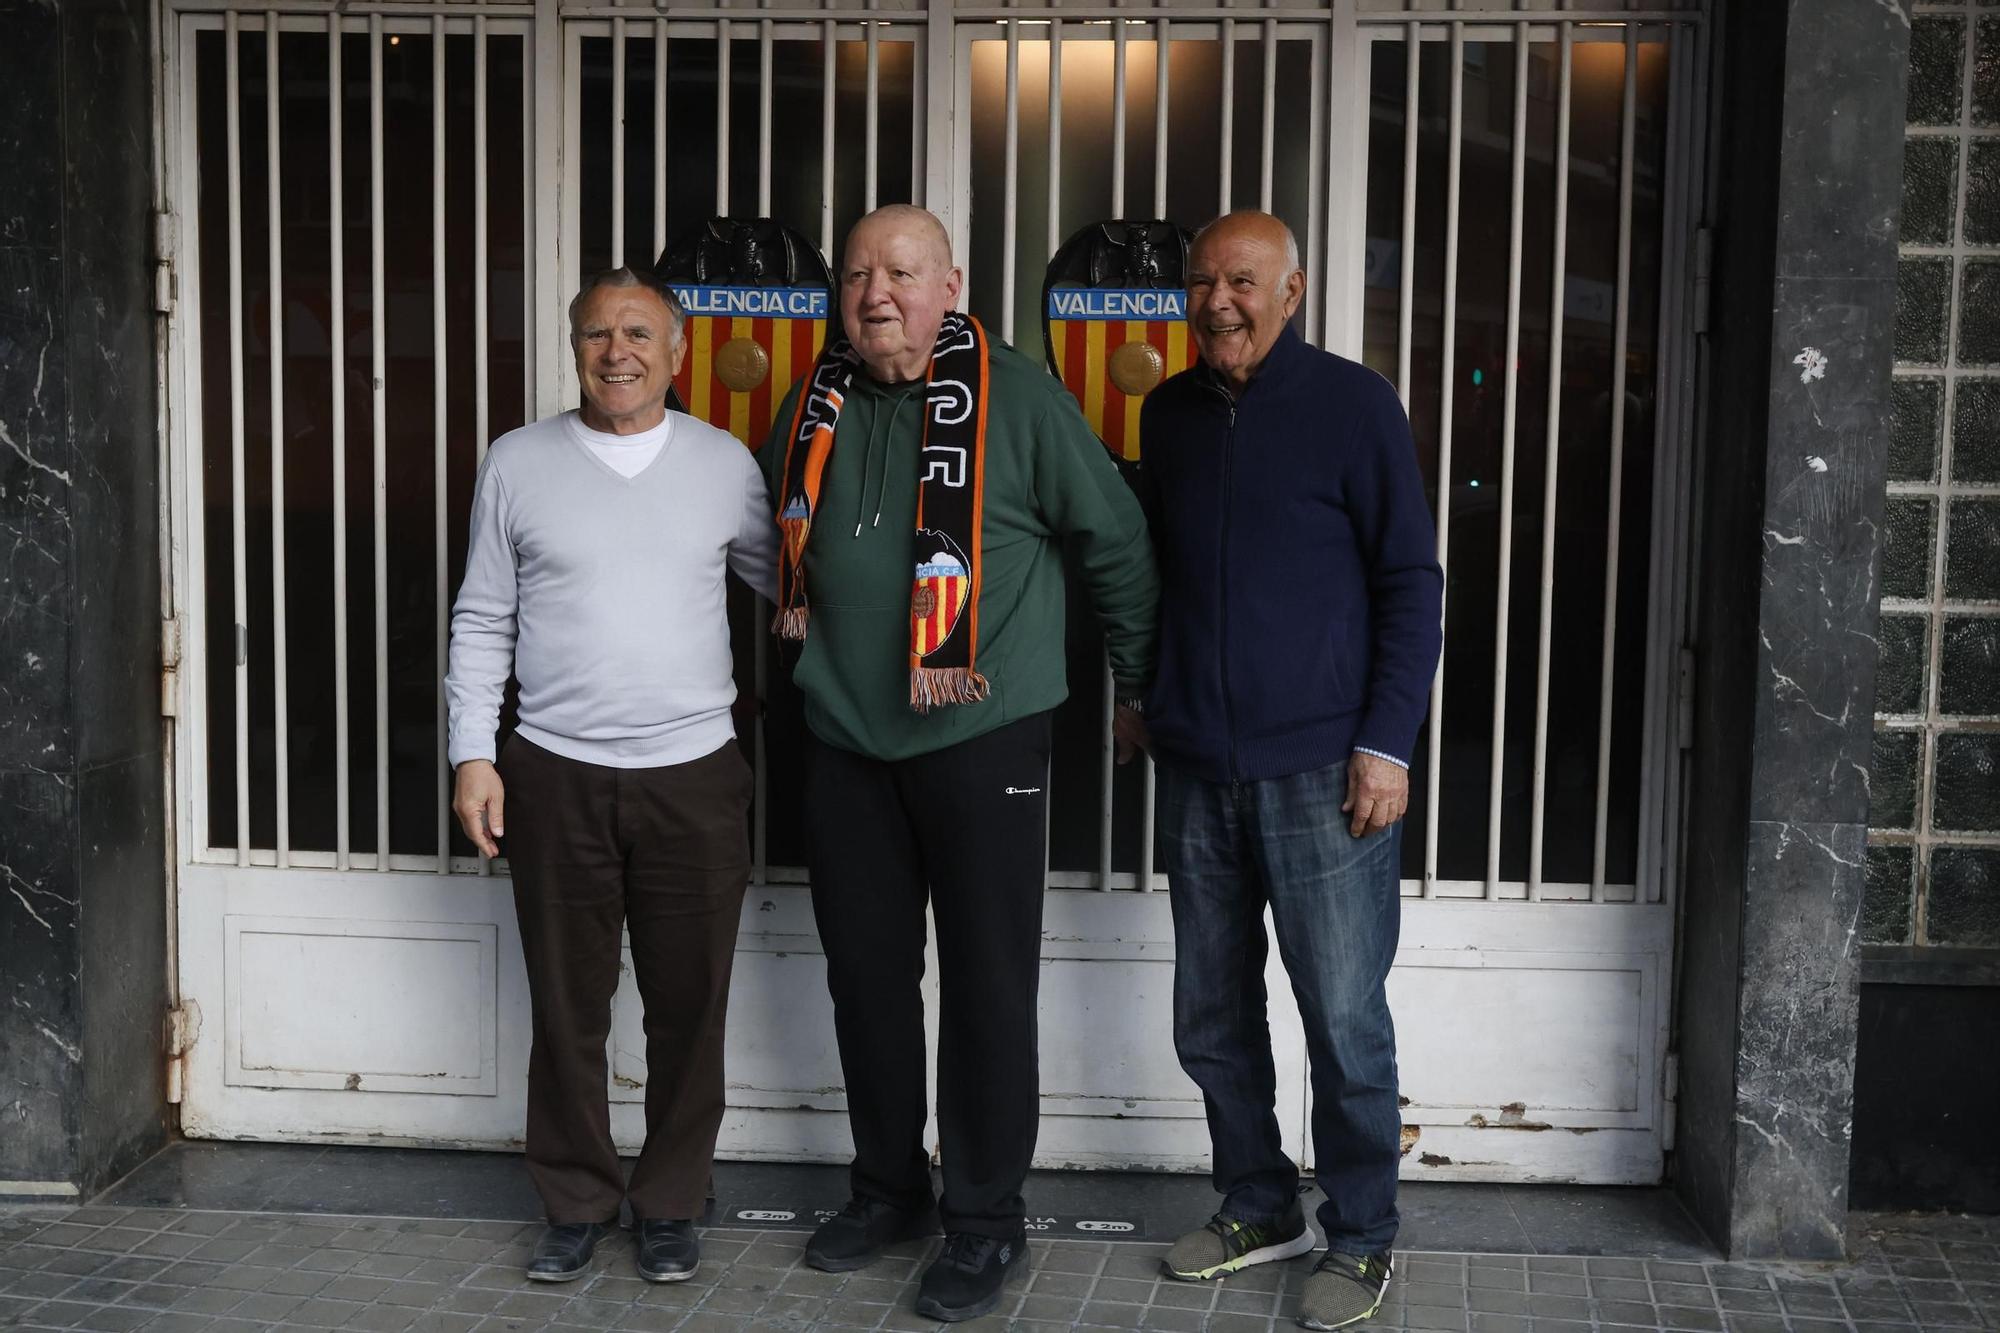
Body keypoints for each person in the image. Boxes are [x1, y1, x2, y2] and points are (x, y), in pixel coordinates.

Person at [758, 204, 1159, 1323]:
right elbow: (772, 549)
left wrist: (1136, 684)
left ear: (950, 283)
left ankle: (982, 1220)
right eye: (854, 276)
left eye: (900, 271)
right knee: (867, 981)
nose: (874, 293)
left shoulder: (1018, 396)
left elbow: (1115, 540)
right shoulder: (812, 402)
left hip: (982, 735)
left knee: (987, 984)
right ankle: (889, 1187)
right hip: (845, 740)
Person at [1130, 210, 1443, 1331]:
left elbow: (1411, 582)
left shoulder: (1352, 406)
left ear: (1293, 292)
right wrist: (1143, 694)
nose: (1219, 300)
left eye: (1244, 281)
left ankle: (1359, 1234)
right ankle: (1258, 1203)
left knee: (1342, 1021)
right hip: (1199, 768)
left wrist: (1385, 744)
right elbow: (1156, 571)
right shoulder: (1164, 415)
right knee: (1210, 1015)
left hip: (1326, 770)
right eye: (1203, 281)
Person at [445, 267, 778, 1286]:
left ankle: (673, 1199)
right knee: (566, 1005)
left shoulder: (724, 465)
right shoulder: (517, 463)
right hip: (553, 772)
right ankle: (577, 1199)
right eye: (597, 333)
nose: (617, 351)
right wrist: (473, 754)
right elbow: (481, 617)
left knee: (690, 1006)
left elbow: (794, 590)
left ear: (678, 353)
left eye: (638, 332)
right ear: (574, 346)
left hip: (693, 776)